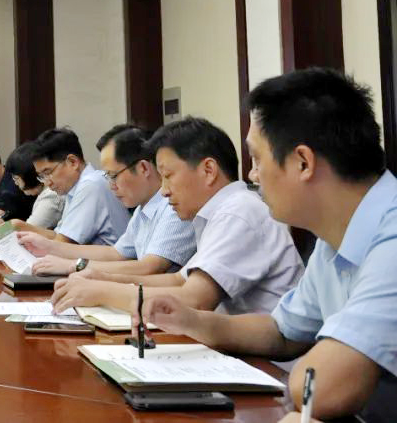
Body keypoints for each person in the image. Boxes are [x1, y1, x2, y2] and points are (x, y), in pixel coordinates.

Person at [144, 69, 397, 421]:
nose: (252, 175)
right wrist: (195, 321)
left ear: (303, 162)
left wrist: (305, 377)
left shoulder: (392, 234)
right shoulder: (333, 238)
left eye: (257, 159)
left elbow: (323, 389)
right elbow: (283, 332)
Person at [50, 116, 303, 317]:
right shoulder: (218, 213)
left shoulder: (238, 212)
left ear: (208, 170)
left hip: (262, 363)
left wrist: (103, 291)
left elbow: (194, 300)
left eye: (168, 176)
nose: (164, 190)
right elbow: (178, 281)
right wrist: (104, 278)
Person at [22, 124, 195, 276]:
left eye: (113, 176)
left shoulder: (174, 206)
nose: (111, 186)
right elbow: (116, 253)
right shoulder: (143, 208)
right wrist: (49, 246)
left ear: (143, 168)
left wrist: (74, 266)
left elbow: (149, 267)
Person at [22, 128, 130, 245]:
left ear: (73, 162)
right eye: (41, 176)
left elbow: (62, 244)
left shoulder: (90, 185)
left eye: (48, 173)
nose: (47, 183)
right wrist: (21, 228)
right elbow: (60, 235)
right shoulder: (75, 188)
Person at [3, 141, 64, 231]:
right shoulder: (43, 193)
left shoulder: (51, 195)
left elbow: (27, 230)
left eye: (16, 178)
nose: (16, 183)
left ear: (29, 175)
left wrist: (0, 230)